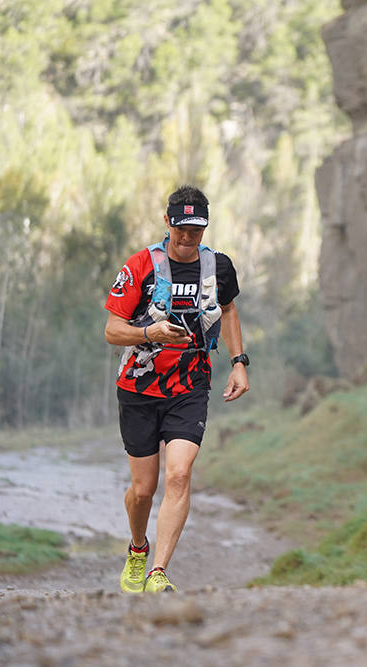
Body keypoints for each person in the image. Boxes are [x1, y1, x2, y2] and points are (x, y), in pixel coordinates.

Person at [104, 185, 250, 593]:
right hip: (139, 387)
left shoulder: (218, 266)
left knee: (180, 474)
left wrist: (238, 363)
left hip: (190, 386)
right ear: (167, 222)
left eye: (196, 231)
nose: (188, 238)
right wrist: (150, 331)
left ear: (204, 228)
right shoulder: (140, 265)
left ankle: (158, 571)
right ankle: (137, 549)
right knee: (143, 489)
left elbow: (229, 309)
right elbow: (112, 330)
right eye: (181, 229)